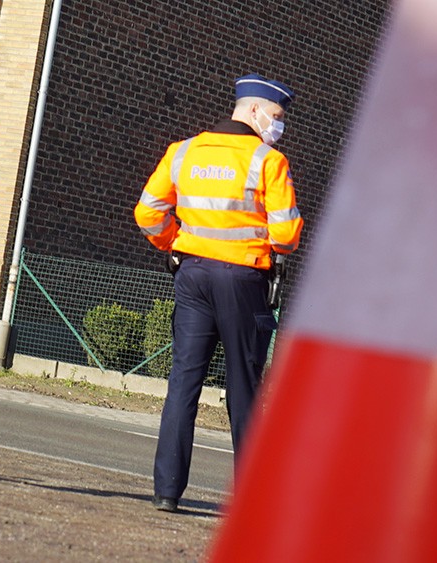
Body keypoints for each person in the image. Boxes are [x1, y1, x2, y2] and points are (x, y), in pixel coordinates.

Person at [134, 74, 303, 511]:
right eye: (276, 117)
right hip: (243, 280)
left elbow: (147, 212)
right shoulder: (268, 161)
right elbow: (286, 234)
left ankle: (166, 490)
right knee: (244, 385)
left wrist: (174, 243)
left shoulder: (182, 152)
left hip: (191, 273)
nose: (278, 126)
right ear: (253, 111)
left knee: (183, 382)